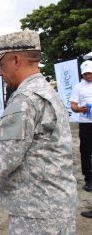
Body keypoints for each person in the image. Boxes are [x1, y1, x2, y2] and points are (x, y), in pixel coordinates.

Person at [0, 31, 78, 234]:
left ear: (15, 60)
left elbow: (8, 154)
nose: (0, 73)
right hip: (56, 201)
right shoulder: (47, 91)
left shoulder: (25, 99)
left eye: (1, 65)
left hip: (36, 210)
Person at [70, 60, 92, 219]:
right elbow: (73, 105)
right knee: (85, 152)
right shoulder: (78, 87)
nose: (89, 76)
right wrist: (80, 109)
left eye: (91, 73)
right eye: (86, 74)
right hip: (85, 123)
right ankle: (88, 179)